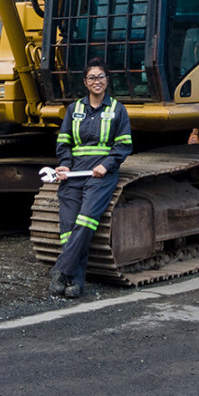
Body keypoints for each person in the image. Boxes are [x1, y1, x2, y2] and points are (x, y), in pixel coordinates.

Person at [48, 57, 132, 298]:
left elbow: (124, 144)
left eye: (101, 77)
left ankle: (62, 270)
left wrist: (106, 165)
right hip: (74, 173)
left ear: (107, 81)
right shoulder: (74, 109)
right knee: (69, 227)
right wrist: (64, 165)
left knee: (85, 222)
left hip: (100, 175)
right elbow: (64, 141)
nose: (97, 81)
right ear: (85, 82)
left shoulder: (117, 109)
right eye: (92, 78)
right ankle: (75, 280)